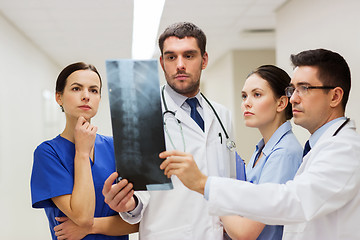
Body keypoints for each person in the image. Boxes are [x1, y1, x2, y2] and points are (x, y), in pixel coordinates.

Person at [160, 48, 360, 239]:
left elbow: (290, 200)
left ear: (335, 96)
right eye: (293, 89)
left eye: (304, 89)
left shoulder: (343, 150)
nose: (294, 99)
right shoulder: (319, 146)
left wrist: (206, 184)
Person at [102, 22, 236, 240]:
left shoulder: (222, 115)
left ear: (204, 60)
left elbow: (228, 183)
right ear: (162, 63)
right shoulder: (141, 115)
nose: (180, 65)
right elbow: (138, 199)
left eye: (189, 56)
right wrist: (128, 204)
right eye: (171, 57)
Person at [30, 62, 138, 239]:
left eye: (94, 90)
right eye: (76, 89)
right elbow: (82, 217)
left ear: (99, 99)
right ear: (59, 97)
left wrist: (91, 227)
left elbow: (137, 221)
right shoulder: (48, 153)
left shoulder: (117, 147)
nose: (86, 96)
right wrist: (82, 152)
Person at [220, 65, 302, 240]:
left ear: (281, 103)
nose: (246, 103)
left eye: (257, 94)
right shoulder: (262, 150)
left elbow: (246, 233)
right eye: (244, 96)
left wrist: (216, 195)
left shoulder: (284, 153)